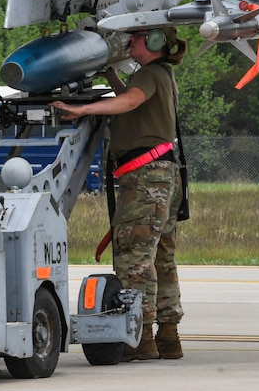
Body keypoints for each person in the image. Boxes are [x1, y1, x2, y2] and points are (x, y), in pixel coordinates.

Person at [51, 27, 187, 362]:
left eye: (139, 37)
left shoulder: (150, 74)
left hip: (145, 178)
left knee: (135, 258)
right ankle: (168, 336)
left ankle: (139, 337)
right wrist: (112, 77)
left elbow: (130, 101)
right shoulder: (159, 74)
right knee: (161, 258)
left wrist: (83, 110)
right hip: (162, 174)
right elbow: (132, 98)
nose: (132, 42)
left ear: (155, 43)